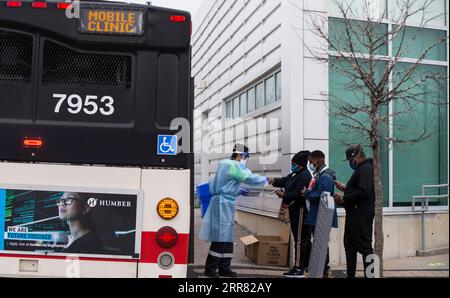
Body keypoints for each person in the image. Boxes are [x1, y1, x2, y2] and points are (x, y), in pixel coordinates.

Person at [199, 145, 272, 278]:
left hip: (225, 202)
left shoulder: (225, 165)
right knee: (221, 237)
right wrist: (266, 180)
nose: (245, 159)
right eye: (246, 156)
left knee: (227, 236)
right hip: (223, 203)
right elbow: (248, 178)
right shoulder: (232, 166)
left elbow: (225, 185)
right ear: (239, 155)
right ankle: (210, 269)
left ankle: (224, 267)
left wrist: (239, 191)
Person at [334, 145, 375, 278]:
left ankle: (371, 276)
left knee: (365, 248)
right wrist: (346, 189)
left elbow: (364, 191)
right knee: (349, 245)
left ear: (356, 157)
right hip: (353, 214)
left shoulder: (366, 168)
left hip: (361, 215)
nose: (350, 164)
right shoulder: (361, 169)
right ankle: (350, 274)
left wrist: (343, 198)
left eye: (350, 160)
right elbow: (359, 189)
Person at [271, 151, 312, 278]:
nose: (292, 165)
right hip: (293, 210)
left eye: (294, 164)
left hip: (300, 211)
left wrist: (284, 195)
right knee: (301, 239)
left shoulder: (304, 176)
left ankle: (299, 268)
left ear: (300, 164)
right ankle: (301, 265)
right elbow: (284, 181)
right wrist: (272, 180)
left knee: (300, 240)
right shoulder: (296, 173)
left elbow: (299, 195)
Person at [304, 150, 338, 277]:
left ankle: (323, 270)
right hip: (316, 216)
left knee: (321, 242)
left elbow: (322, 196)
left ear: (318, 160)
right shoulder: (319, 175)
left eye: (311, 161)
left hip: (321, 216)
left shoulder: (325, 177)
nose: (310, 164)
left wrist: (307, 193)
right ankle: (320, 269)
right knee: (318, 242)